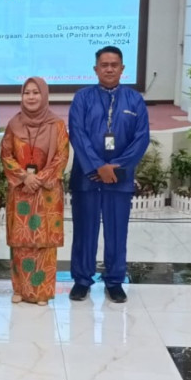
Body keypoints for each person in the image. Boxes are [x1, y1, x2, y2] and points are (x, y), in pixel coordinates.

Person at [68, 46, 149, 304]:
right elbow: (77, 134)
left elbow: (141, 138)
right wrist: (97, 167)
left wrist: (116, 167)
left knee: (117, 231)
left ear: (123, 69)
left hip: (119, 179)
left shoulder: (135, 100)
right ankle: (82, 280)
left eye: (114, 65)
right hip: (87, 177)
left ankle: (114, 281)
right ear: (96, 69)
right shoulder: (82, 98)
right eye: (104, 65)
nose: (110, 69)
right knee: (84, 230)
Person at [1, 76, 70, 306]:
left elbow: (61, 156)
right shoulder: (13, 124)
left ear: (44, 95)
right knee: (20, 243)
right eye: (27, 93)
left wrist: (39, 179)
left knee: (44, 243)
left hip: (47, 193)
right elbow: (6, 154)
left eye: (35, 92)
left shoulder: (57, 125)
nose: (31, 97)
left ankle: (42, 292)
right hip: (21, 191)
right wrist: (24, 177)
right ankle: (20, 289)